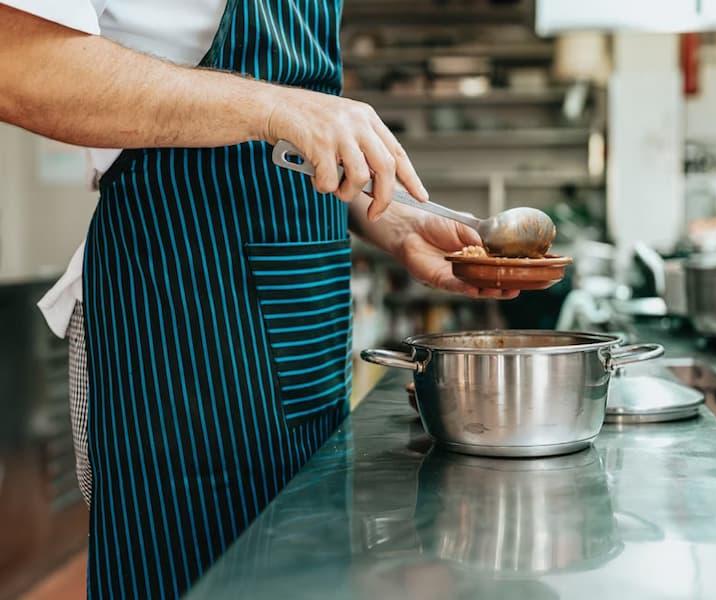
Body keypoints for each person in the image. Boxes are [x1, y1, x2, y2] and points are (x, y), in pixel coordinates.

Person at [0, 1, 519, 597]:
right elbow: (17, 63)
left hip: (307, 322)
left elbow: (285, 146)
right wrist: (276, 105)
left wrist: (392, 221)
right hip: (185, 312)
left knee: (298, 576)